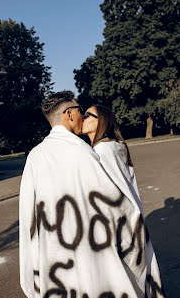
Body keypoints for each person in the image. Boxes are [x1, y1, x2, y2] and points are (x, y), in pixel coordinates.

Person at [19, 91, 165, 298]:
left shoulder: (35, 155)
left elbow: (28, 215)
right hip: (89, 252)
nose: (82, 117)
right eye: (80, 111)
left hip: (55, 259)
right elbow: (112, 204)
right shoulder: (83, 152)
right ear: (69, 114)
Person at [82, 104, 166, 298]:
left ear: (101, 121)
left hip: (118, 225)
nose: (84, 118)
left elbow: (106, 194)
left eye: (89, 115)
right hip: (132, 220)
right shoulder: (116, 146)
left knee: (124, 281)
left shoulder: (102, 151)